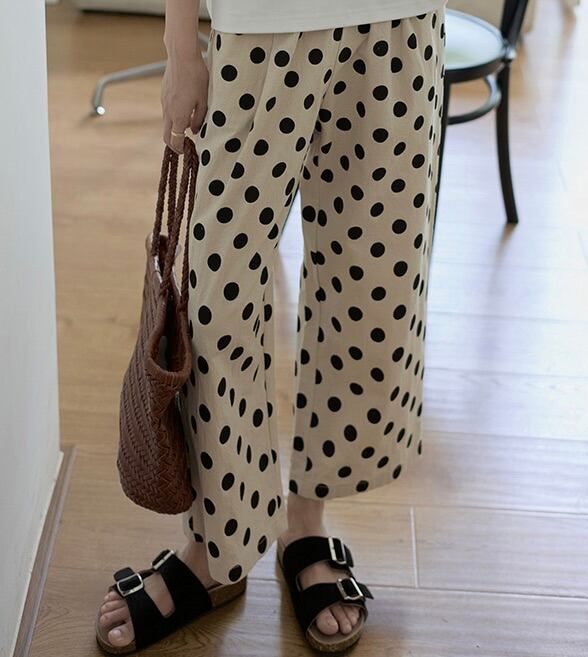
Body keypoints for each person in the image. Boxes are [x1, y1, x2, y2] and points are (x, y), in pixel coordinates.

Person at [96, 0, 446, 652]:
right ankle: (215, 546)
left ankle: (305, 521)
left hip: (400, 21)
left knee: (372, 290)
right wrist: (180, 46)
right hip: (260, 25)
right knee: (214, 299)